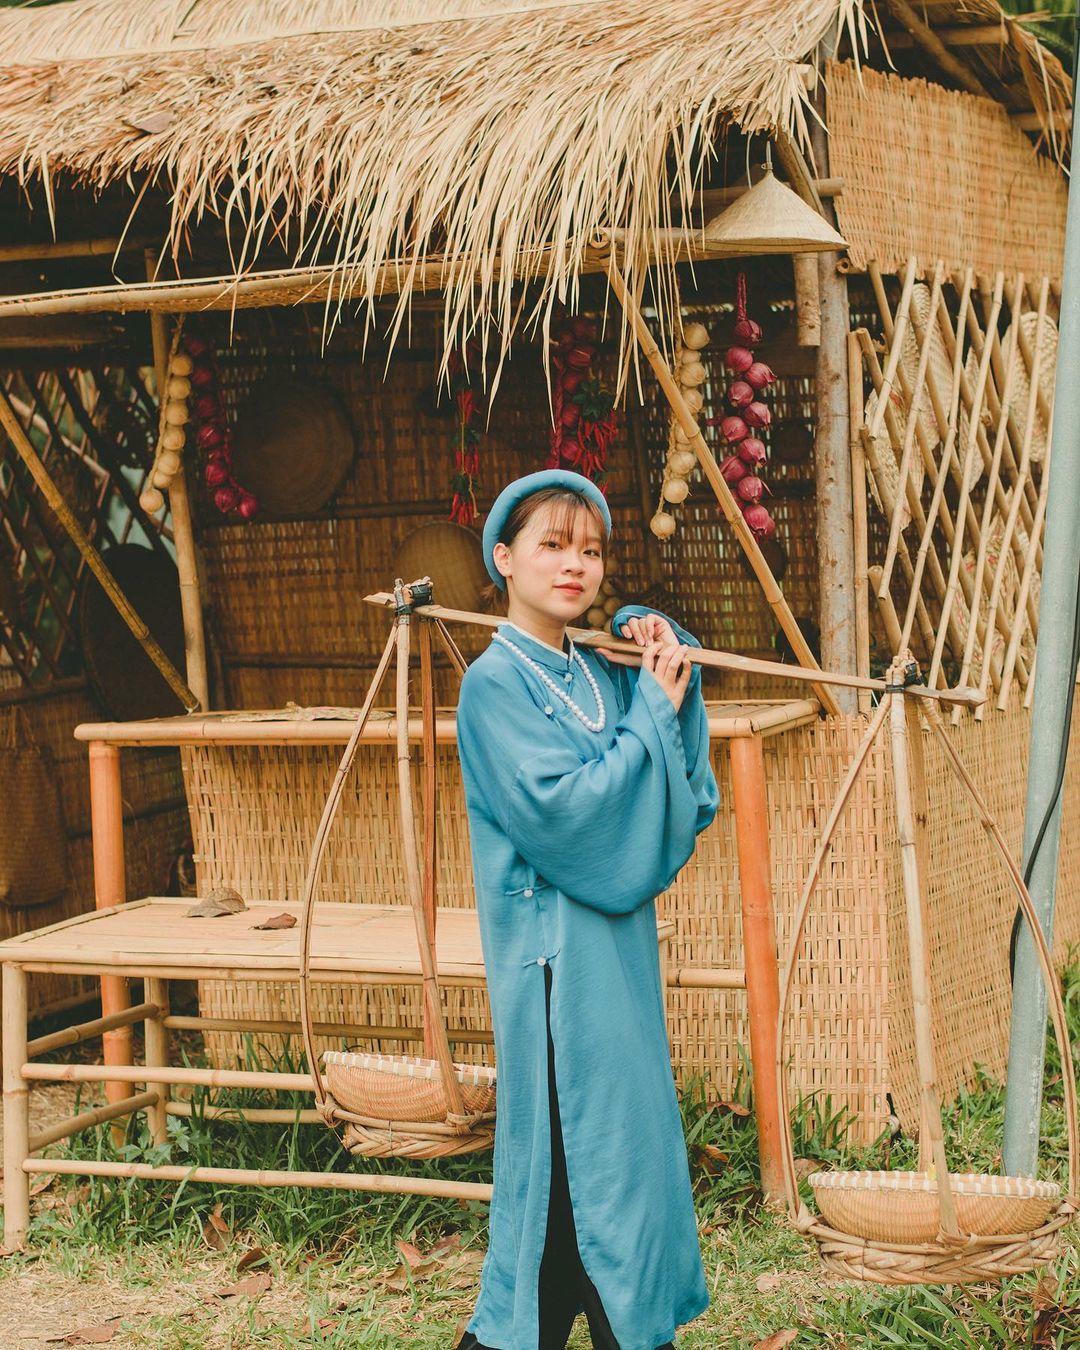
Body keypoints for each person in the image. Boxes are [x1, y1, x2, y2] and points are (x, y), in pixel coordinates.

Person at [453, 469, 719, 1350]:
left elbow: (681, 792)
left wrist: (660, 654)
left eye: (592, 550)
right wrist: (652, 714)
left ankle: (606, 1322)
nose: (575, 565)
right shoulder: (494, 686)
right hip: (554, 969)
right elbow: (567, 815)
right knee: (574, 1163)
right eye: (553, 545)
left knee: (620, 1157)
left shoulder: (603, 676)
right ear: (505, 559)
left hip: (619, 957)